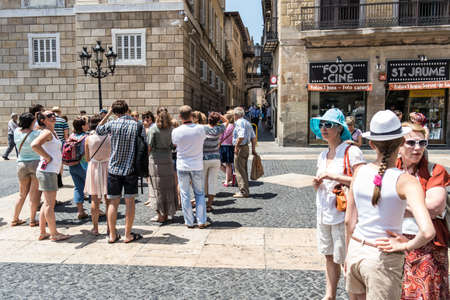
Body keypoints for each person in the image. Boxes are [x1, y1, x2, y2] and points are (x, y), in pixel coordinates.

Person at [344, 110, 435, 300]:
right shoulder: (406, 181)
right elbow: (428, 231)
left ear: (371, 144)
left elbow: (348, 222)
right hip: (382, 257)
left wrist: (347, 255)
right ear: (401, 143)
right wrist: (406, 245)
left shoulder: (359, 172)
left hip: (355, 250)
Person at [310, 108, 365, 300]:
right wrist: (317, 183)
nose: (324, 128)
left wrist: (333, 176)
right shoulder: (323, 155)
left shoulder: (352, 152)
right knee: (329, 255)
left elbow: (361, 181)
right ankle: (330, 295)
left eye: (329, 125)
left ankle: (355, 296)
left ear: (340, 129)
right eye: (322, 125)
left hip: (344, 215)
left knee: (347, 259)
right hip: (324, 212)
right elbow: (324, 181)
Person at [397, 122, 449, 300]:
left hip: (427, 247)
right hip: (394, 243)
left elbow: (434, 207)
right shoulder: (389, 171)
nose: (417, 148)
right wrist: (419, 207)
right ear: (399, 145)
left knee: (425, 294)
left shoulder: (435, 171)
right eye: (411, 143)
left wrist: (397, 205)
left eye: (422, 143)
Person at [96, 100, 146, 243]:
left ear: (114, 111)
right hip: (131, 168)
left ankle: (112, 234)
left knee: (113, 202)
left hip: (114, 168)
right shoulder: (137, 125)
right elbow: (144, 144)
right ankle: (128, 234)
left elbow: (98, 130)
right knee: (130, 202)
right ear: (127, 109)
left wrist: (108, 113)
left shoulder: (112, 124)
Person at [31, 111, 70, 242]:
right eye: (49, 116)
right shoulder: (47, 133)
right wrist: (47, 157)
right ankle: (54, 234)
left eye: (53, 114)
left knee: (47, 203)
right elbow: (35, 145)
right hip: (47, 171)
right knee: (49, 204)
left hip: (49, 171)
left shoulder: (51, 132)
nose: (53, 116)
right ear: (43, 120)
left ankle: (43, 232)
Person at [171, 105, 208, 228]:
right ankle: (202, 220)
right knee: (199, 193)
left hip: (182, 165)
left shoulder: (176, 131)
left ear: (180, 117)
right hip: (197, 164)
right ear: (192, 115)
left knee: (185, 194)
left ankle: (189, 221)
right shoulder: (201, 129)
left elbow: (174, 145)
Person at [147, 108, 177, 223]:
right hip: (168, 159)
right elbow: (173, 145)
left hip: (155, 159)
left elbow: (149, 146)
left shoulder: (153, 129)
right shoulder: (171, 129)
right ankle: (168, 212)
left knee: (157, 188)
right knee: (168, 187)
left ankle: (160, 215)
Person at [11, 113, 41, 227]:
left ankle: (15, 218)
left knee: (22, 194)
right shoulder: (37, 133)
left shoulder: (16, 132)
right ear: (31, 122)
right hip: (35, 163)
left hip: (21, 164)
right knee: (34, 195)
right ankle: (33, 220)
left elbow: (21, 127)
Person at [84, 115, 111, 236]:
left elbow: (87, 158)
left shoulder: (88, 139)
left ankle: (95, 228)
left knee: (95, 200)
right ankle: (110, 228)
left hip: (94, 167)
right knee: (109, 200)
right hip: (107, 166)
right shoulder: (109, 137)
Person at [203, 112, 227, 212]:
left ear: (208, 119)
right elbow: (227, 121)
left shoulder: (203, 129)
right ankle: (209, 204)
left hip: (203, 158)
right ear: (217, 121)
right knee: (212, 181)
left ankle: (201, 202)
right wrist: (220, 116)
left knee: (202, 181)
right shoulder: (219, 129)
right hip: (215, 158)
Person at [232, 107, 257, 198]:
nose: (233, 117)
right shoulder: (247, 123)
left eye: (233, 115)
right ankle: (245, 189)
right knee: (244, 169)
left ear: (236, 115)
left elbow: (241, 136)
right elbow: (253, 138)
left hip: (241, 148)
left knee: (239, 169)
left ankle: (244, 191)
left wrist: (236, 146)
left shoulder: (239, 122)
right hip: (246, 147)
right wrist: (253, 149)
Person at [68, 117, 89, 220]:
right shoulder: (86, 137)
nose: (88, 125)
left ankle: (80, 211)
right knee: (91, 189)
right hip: (83, 165)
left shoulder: (71, 136)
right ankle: (96, 210)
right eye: (86, 124)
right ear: (82, 126)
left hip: (72, 164)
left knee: (78, 187)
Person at [52, 106, 69, 188]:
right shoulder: (63, 121)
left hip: (51, 143)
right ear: (59, 112)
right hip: (61, 143)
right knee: (60, 162)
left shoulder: (49, 120)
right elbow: (66, 135)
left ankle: (53, 180)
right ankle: (59, 180)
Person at [219, 112, 235, 187]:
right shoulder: (234, 126)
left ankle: (227, 179)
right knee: (229, 164)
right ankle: (229, 177)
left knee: (221, 164)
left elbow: (220, 137)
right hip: (231, 146)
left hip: (223, 146)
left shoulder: (223, 125)